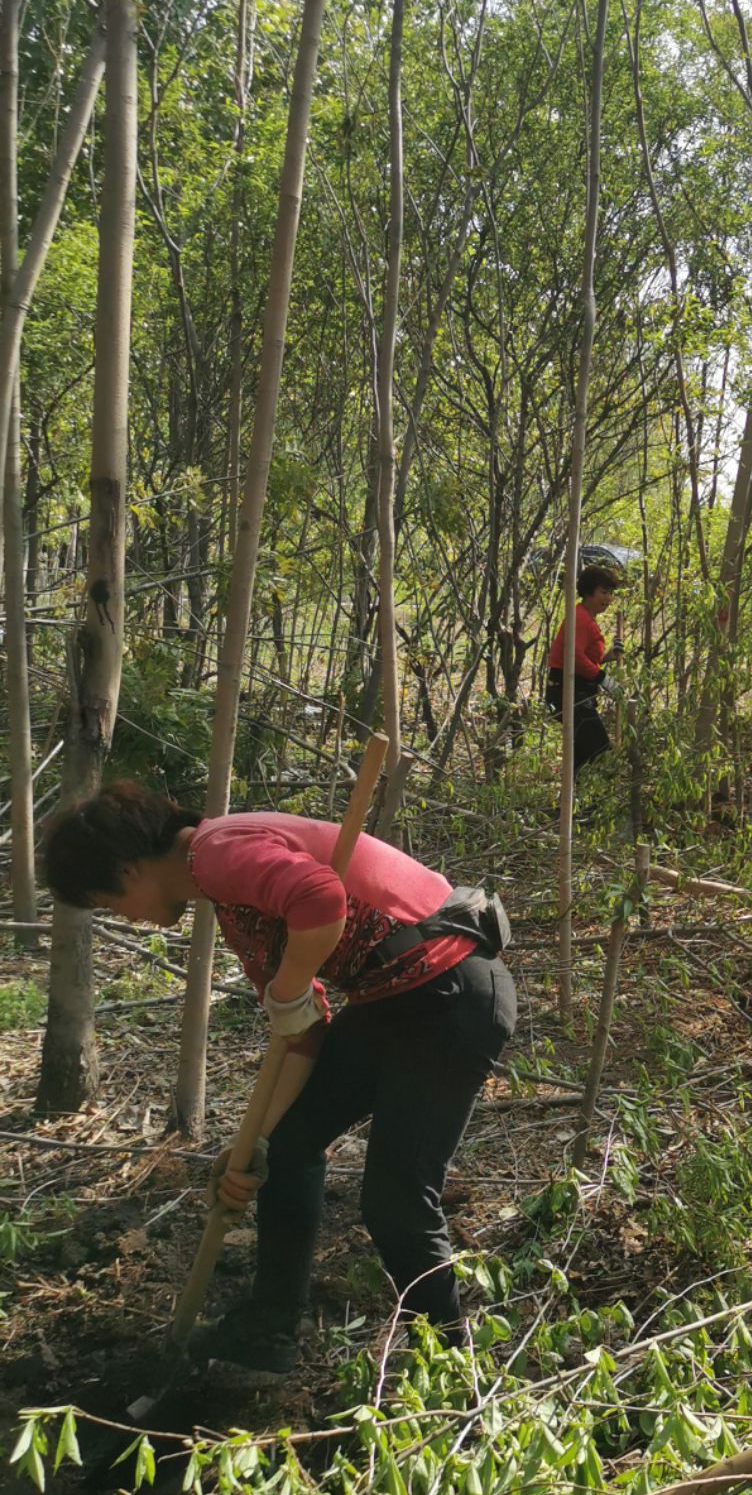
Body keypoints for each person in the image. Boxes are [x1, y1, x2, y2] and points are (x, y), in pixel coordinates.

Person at [43, 784, 516, 1373]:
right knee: (286, 1149)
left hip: (448, 994)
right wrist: (251, 1146)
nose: (127, 918)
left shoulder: (215, 851)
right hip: (391, 1001)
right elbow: (304, 1032)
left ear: (128, 869)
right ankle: (271, 1330)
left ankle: (450, 1372)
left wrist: (290, 986)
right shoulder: (227, 895)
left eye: (110, 903)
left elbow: (320, 900)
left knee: (395, 1201)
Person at [546, 563, 621, 773]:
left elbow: (584, 657)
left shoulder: (586, 618)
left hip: (579, 691)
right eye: (603, 592)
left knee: (581, 755)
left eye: (610, 593)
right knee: (599, 751)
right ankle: (591, 803)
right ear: (589, 591)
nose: (608, 599)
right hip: (568, 692)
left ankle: (574, 804)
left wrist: (609, 657)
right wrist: (603, 678)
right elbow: (574, 657)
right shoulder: (580, 618)